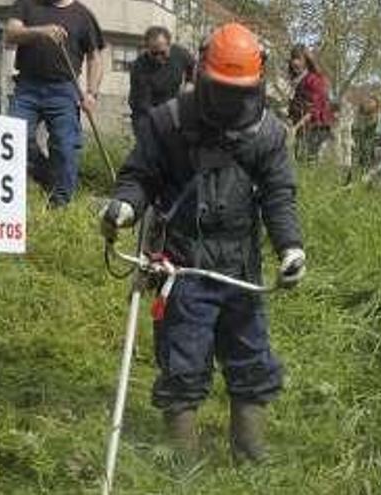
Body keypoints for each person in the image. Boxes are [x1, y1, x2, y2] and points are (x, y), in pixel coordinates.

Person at [98, 22, 306, 463]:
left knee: (251, 358)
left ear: (256, 83)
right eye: (223, 89)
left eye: (240, 91)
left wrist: (291, 247)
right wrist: (125, 207)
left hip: (240, 264)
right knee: (183, 360)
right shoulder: (168, 122)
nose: (232, 100)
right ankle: (184, 463)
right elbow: (139, 176)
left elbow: (278, 194)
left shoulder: (265, 133)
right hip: (182, 264)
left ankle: (249, 454)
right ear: (203, 75)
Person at [5, 0, 106, 208]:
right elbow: (11, 33)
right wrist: (41, 31)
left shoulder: (83, 15)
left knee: (66, 147)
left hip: (64, 90)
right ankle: (49, 176)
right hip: (27, 87)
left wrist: (92, 93)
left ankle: (60, 204)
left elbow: (95, 57)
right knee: (14, 141)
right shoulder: (27, 5)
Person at [128, 25, 196, 137]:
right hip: (146, 115)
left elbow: (194, 67)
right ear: (147, 49)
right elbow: (144, 104)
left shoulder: (180, 53)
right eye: (154, 54)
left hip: (172, 109)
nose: (158, 58)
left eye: (163, 53)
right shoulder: (139, 67)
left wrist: (190, 83)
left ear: (169, 45)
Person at [288, 44, 334, 164]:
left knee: (308, 162)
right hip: (303, 129)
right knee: (300, 161)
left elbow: (313, 110)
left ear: (306, 61)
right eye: (293, 58)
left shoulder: (314, 80)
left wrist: (295, 128)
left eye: (299, 59)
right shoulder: (297, 81)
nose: (295, 62)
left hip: (317, 129)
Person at [348, 94, 381, 185]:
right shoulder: (357, 126)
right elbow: (356, 149)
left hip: (378, 171)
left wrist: (371, 173)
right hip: (362, 165)